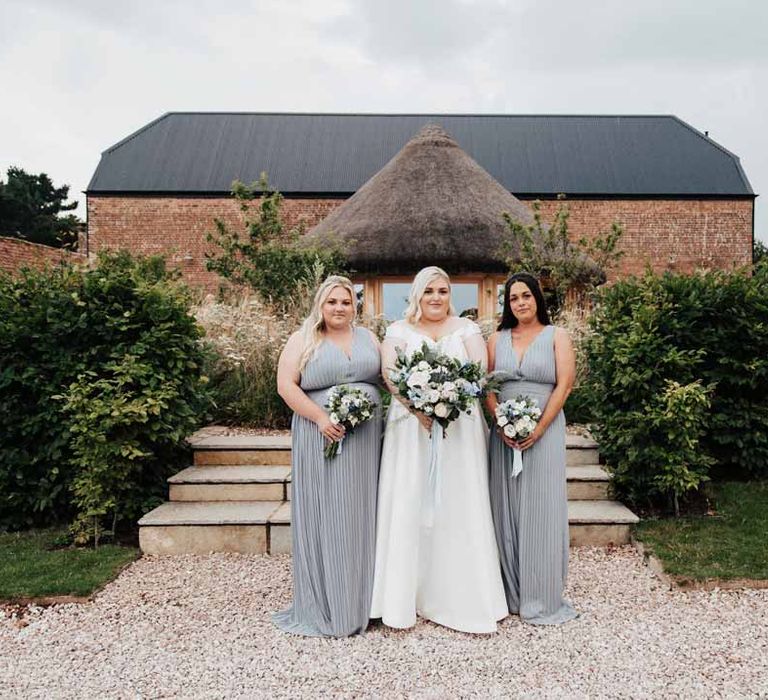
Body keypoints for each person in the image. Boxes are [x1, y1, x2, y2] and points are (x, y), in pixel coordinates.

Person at [370, 266, 507, 633]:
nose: (436, 297)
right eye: (429, 290)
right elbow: (390, 373)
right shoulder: (398, 331)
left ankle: (462, 594)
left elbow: (478, 373)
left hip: (458, 426)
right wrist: (419, 408)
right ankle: (403, 597)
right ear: (417, 294)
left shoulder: (467, 330)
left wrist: (448, 400)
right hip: (410, 430)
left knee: (459, 500)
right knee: (409, 496)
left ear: (451, 295)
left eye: (443, 291)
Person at [273, 275, 382, 637]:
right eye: (332, 301)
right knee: (328, 514)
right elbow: (285, 385)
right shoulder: (303, 339)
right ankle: (328, 602)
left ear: (355, 306)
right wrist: (320, 417)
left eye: (346, 302)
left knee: (363, 513)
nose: (339, 308)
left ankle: (365, 599)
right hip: (320, 438)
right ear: (321, 304)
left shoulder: (369, 338)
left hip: (366, 443)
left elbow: (390, 378)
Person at [486, 272, 578, 625]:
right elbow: (488, 388)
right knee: (505, 506)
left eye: (526, 296)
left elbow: (565, 384)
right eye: (513, 298)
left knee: (541, 506)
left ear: (538, 298)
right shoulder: (497, 339)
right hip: (503, 434)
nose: (521, 303)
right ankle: (510, 594)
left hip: (546, 428)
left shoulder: (558, 336)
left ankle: (541, 594)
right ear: (507, 304)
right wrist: (500, 422)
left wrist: (539, 428)